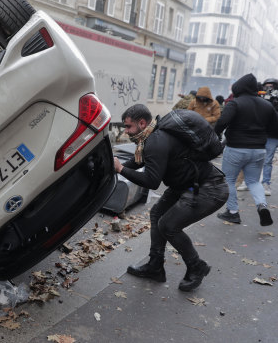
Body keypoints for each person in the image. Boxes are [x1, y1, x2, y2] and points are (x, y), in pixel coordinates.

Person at [114, 104, 228, 292]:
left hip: (210, 188)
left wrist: (121, 170)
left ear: (142, 123)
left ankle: (197, 266)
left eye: (128, 127)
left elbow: (151, 181)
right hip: (186, 185)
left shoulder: (155, 141)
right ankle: (155, 266)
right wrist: (116, 167)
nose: (126, 132)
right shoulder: (152, 137)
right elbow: (140, 160)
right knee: (157, 214)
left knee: (168, 225)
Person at [215, 73, 278, 226]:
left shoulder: (235, 103)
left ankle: (233, 212)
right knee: (253, 181)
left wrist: (216, 135)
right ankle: (261, 205)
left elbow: (221, 123)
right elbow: (274, 127)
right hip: (258, 150)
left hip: (236, 148)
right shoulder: (267, 105)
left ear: (239, 88)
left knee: (228, 179)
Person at [261, 78, 278, 196]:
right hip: (268, 133)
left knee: (267, 160)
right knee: (266, 160)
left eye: (271, 86)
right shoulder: (263, 99)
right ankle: (265, 183)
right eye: (266, 86)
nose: (269, 88)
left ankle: (266, 183)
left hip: (274, 133)